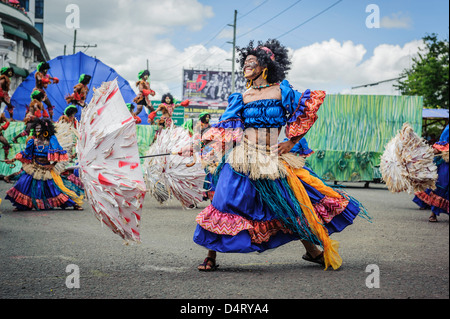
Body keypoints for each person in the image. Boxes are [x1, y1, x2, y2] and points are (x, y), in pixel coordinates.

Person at [189, 39, 369, 271]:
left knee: (289, 203)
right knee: (223, 201)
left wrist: (291, 142)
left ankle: (312, 251)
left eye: (251, 62)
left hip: (272, 157)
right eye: (244, 62)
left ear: (264, 66)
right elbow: (227, 128)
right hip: (244, 157)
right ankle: (211, 256)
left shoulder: (281, 90)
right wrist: (207, 147)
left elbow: (305, 113)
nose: (246, 66)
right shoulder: (242, 96)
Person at [4, 118, 83, 211]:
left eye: (40, 129)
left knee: (54, 189)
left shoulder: (51, 140)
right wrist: (12, 159)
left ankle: (73, 204)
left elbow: (59, 153)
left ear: (46, 129)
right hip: (34, 167)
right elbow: (26, 153)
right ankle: (22, 205)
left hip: (47, 169)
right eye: (36, 129)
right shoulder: (32, 141)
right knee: (23, 184)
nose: (38, 131)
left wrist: (52, 165)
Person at [413, 124, 449, 222]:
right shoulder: (448, 129)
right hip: (446, 164)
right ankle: (433, 213)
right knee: (440, 186)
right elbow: (442, 144)